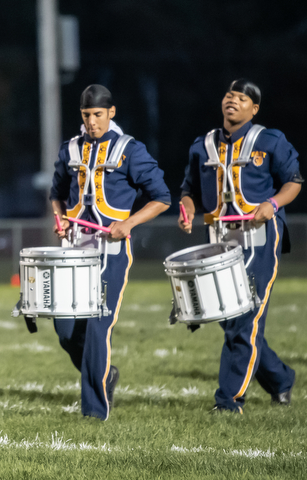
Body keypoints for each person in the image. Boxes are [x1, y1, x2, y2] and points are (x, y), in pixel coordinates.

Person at [178, 79, 303, 413]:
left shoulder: (271, 140)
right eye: (229, 94)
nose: (233, 99)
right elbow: (188, 189)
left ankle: (229, 401)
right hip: (218, 239)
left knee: (245, 320)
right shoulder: (201, 145)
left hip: (259, 238)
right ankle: (280, 378)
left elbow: (294, 182)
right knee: (231, 320)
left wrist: (273, 205)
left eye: (242, 97)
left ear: (254, 108)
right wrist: (188, 210)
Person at [50, 84, 171, 420]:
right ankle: (105, 374)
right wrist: (59, 220)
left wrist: (129, 223)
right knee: (64, 330)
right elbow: (56, 194)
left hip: (112, 249)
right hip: (74, 249)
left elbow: (162, 198)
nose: (92, 122)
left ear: (111, 113)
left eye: (98, 115)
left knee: (98, 325)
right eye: (86, 115)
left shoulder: (130, 149)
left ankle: (93, 410)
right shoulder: (70, 148)